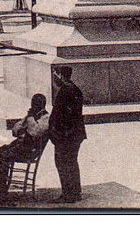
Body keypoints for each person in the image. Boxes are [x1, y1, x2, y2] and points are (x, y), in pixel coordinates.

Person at [0, 93, 50, 198]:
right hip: (18, 145)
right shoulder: (30, 116)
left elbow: (34, 131)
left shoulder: (45, 118)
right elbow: (15, 130)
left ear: (42, 105)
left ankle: (0, 190)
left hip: (29, 150)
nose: (33, 106)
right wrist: (23, 128)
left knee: (3, 157)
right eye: (33, 103)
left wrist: (29, 121)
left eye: (36, 104)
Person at [49, 65, 86, 203]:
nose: (54, 79)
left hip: (66, 135)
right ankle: (74, 192)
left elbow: (64, 116)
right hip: (75, 134)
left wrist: (56, 132)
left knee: (63, 163)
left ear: (60, 75)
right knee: (71, 163)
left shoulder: (65, 91)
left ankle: (68, 194)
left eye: (55, 76)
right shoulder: (74, 89)